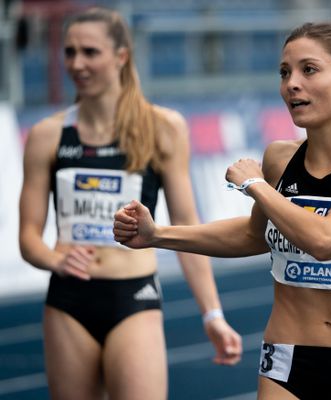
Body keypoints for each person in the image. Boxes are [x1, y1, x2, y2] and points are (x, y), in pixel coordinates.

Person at [114, 21, 331, 400]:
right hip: (285, 363)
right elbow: (255, 235)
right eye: (285, 72)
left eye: (309, 70)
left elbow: (327, 239)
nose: (292, 84)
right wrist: (158, 236)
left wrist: (258, 187)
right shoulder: (281, 158)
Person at [18, 7, 242, 400]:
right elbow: (28, 236)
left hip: (133, 297)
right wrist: (55, 261)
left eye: (90, 52)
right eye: (69, 53)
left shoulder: (163, 128)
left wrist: (213, 315)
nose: (77, 63)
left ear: (121, 56)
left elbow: (186, 227)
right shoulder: (46, 135)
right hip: (68, 301)